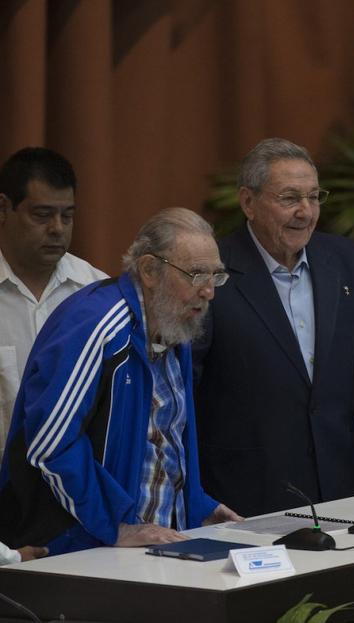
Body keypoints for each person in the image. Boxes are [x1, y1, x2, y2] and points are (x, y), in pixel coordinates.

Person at [193, 137, 354, 517]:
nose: (306, 211)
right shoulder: (213, 270)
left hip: (343, 486)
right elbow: (185, 387)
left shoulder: (346, 261)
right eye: (290, 198)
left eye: (314, 197)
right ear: (248, 202)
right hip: (247, 493)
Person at [0, 207, 240, 556]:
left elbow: (162, 443)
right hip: (80, 549)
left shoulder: (175, 329)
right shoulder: (97, 324)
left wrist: (198, 506)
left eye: (215, 276)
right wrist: (115, 525)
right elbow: (49, 444)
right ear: (149, 270)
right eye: (196, 274)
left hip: (152, 543)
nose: (209, 292)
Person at [0, 147, 108, 461]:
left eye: (67, 215)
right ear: (4, 208)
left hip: (73, 491)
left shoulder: (96, 292)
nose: (57, 228)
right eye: (42, 215)